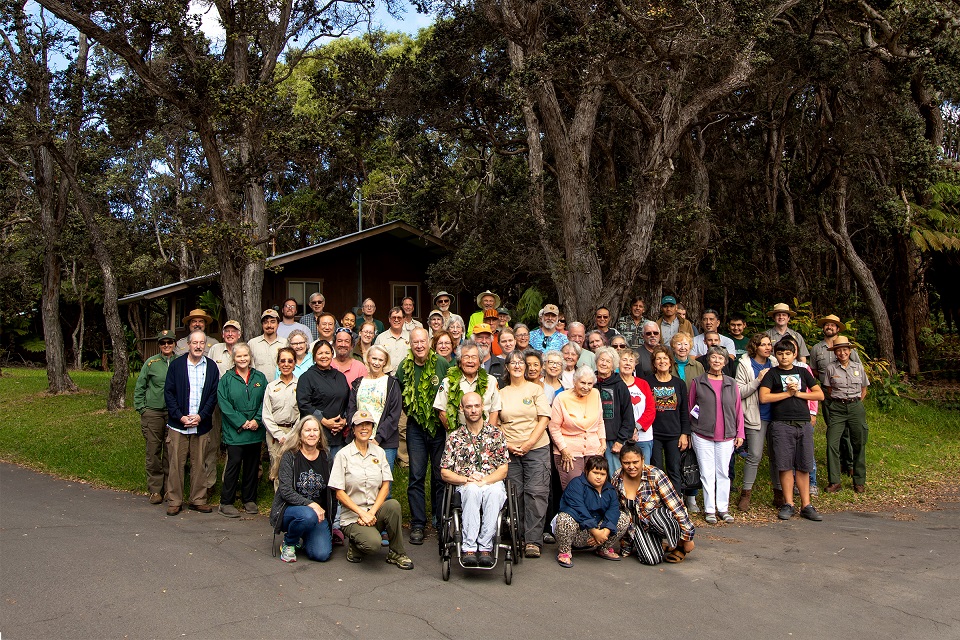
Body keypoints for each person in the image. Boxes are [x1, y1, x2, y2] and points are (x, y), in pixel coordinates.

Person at [330, 411, 414, 569]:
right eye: (359, 425)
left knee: (393, 505)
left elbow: (385, 486)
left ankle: (397, 552)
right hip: (353, 517)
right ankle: (355, 547)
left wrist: (371, 513)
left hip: (373, 512)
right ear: (353, 429)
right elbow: (339, 493)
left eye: (367, 424)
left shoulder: (380, 452)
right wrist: (362, 514)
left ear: (372, 428)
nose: (364, 428)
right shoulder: (343, 455)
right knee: (374, 544)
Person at [440, 392, 511, 567]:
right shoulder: (455, 438)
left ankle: (486, 546)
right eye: (469, 407)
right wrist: (465, 479)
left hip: (491, 482)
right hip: (466, 484)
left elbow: (503, 470)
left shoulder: (496, 434)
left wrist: (485, 480)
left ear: (482, 408)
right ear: (462, 409)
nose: (473, 410)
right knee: (471, 491)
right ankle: (469, 547)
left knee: (494, 493)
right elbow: (444, 472)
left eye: (476, 406)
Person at [759, 339, 824, 521]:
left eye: (788, 353)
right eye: (780, 353)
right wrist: (786, 394)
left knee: (804, 465)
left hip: (803, 423)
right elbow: (764, 397)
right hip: (781, 423)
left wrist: (798, 394)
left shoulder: (802, 371)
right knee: (785, 464)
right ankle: (789, 503)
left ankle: (806, 505)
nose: (784, 357)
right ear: (775, 355)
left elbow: (819, 394)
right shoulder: (772, 374)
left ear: (794, 354)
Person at [396, 327, 450, 544]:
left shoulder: (442, 364)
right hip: (416, 427)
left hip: (438, 427)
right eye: (415, 342)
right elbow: (398, 393)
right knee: (416, 476)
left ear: (429, 342)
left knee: (439, 475)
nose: (419, 345)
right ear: (410, 344)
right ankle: (418, 523)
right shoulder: (404, 366)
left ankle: (439, 518)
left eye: (423, 341)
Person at [296, 340, 350, 542]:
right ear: (314, 354)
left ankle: (335, 524)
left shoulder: (339, 377)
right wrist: (323, 421)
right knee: (316, 481)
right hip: (316, 439)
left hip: (338, 436)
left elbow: (347, 400)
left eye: (328, 353)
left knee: (335, 482)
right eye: (320, 353)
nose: (324, 356)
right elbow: (304, 404)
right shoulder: (307, 377)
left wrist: (343, 419)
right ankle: (311, 521)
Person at [499, 352, 552, 558]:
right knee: (515, 494)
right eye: (513, 362)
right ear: (507, 367)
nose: (518, 365)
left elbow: (544, 418)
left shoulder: (535, 389)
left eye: (521, 362)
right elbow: (496, 424)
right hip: (510, 450)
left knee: (536, 494)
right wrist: (509, 445)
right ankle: (518, 537)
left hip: (537, 448)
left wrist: (529, 443)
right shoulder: (501, 393)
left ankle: (533, 541)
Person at [163, 330, 220, 515]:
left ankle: (198, 499)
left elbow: (212, 396)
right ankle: (175, 500)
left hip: (201, 424)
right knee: (176, 463)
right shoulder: (177, 365)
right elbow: (169, 393)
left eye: (201, 343)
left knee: (200, 463)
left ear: (205, 345)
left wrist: (201, 416)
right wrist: (179, 416)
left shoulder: (211, 367)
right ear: (188, 344)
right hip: (178, 424)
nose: (198, 346)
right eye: (194, 342)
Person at [688, 346, 745, 524]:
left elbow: (738, 410)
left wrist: (740, 433)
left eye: (720, 358)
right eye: (713, 358)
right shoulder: (698, 382)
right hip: (702, 434)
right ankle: (709, 509)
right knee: (706, 473)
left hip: (727, 435)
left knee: (723, 473)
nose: (717, 361)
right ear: (708, 360)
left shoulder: (731, 383)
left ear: (725, 362)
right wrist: (691, 431)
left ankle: (723, 508)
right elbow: (691, 408)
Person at [613, 442, 695, 564]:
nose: (631, 466)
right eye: (626, 463)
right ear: (621, 462)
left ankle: (680, 545)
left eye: (635, 462)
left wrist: (688, 537)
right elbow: (621, 513)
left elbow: (677, 506)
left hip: (660, 519)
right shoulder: (616, 478)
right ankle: (658, 544)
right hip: (639, 526)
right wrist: (626, 544)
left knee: (659, 516)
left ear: (642, 459)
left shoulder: (655, 474)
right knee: (651, 560)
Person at [269, 416, 333, 563]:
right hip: (290, 511)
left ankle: (304, 534)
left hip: (317, 515)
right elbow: (285, 491)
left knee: (321, 554)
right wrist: (311, 504)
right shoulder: (290, 456)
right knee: (307, 515)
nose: (312, 434)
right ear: (300, 434)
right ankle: (290, 542)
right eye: (307, 430)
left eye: (315, 430)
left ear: (320, 434)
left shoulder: (326, 457)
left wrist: (330, 522)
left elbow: (331, 493)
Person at [217, 342, 267, 517]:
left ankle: (249, 499)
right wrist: (242, 422)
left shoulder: (259, 378)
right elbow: (224, 404)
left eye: (246, 355)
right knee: (234, 464)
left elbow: (265, 403)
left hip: (255, 431)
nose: (243, 359)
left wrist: (256, 420)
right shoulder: (227, 379)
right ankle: (226, 502)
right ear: (233, 358)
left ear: (250, 357)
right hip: (235, 432)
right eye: (239, 356)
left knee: (252, 466)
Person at [553, 456, 631, 567]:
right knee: (565, 518)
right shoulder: (576, 484)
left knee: (623, 517)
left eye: (602, 474)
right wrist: (594, 532)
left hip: (599, 533)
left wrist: (605, 532)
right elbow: (579, 508)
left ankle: (603, 548)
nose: (599, 477)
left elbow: (613, 510)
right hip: (578, 530)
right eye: (595, 473)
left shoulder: (609, 489)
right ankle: (564, 552)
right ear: (586, 471)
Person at [810, 313, 860, 477]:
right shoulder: (817, 348)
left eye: (832, 325)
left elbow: (857, 370)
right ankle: (836, 463)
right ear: (823, 328)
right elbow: (815, 371)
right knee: (833, 428)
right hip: (827, 394)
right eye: (826, 325)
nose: (829, 327)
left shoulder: (847, 347)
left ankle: (850, 463)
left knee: (848, 430)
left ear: (838, 328)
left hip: (846, 394)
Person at [823, 336, 870, 494]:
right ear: (835, 353)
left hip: (856, 406)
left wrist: (855, 402)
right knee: (832, 442)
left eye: (845, 350)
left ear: (850, 351)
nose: (842, 353)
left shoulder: (858, 367)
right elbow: (829, 390)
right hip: (837, 407)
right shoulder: (831, 368)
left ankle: (859, 480)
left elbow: (864, 388)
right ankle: (835, 481)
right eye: (838, 350)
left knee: (859, 442)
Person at [733, 333, 775, 512]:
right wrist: (757, 380)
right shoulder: (745, 364)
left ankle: (779, 493)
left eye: (769, 344)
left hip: (776, 414)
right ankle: (746, 493)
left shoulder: (775, 362)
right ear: (755, 347)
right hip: (754, 414)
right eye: (763, 345)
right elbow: (739, 392)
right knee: (755, 455)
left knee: (777, 455)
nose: (767, 347)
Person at [134, 329, 176, 505]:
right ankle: (155, 489)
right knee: (153, 451)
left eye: (169, 342)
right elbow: (140, 386)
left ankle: (169, 488)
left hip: (173, 413)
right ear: (159, 345)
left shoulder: (180, 361)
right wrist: (142, 408)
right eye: (163, 343)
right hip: (153, 412)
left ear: (174, 343)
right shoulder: (151, 363)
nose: (166, 345)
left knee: (170, 451)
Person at [548, 366, 605, 489]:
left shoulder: (595, 394)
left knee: (594, 489)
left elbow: (600, 421)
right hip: (569, 452)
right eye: (582, 382)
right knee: (575, 490)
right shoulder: (561, 398)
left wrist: (603, 443)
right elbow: (554, 428)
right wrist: (564, 450)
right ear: (574, 381)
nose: (586, 387)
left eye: (590, 383)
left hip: (594, 451)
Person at [348, 346, 402, 472]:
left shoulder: (392, 383)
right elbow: (351, 409)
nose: (377, 363)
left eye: (380, 360)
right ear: (368, 359)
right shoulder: (358, 383)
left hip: (384, 442)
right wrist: (358, 435)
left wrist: (377, 438)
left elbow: (394, 415)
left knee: (384, 484)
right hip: (359, 440)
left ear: (385, 362)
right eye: (374, 358)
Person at [647, 345, 692, 496]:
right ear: (654, 363)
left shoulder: (679, 384)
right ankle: (658, 502)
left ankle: (676, 502)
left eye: (665, 358)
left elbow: (684, 410)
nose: (662, 361)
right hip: (654, 434)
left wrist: (685, 433)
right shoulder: (647, 382)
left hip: (674, 433)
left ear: (670, 361)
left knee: (674, 469)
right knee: (656, 470)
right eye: (658, 358)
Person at [434, 341, 502, 431]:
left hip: (485, 439)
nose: (470, 361)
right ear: (459, 361)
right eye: (466, 357)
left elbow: (494, 411)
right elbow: (442, 413)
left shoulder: (491, 381)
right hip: (458, 439)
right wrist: (458, 437)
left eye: (474, 357)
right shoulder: (448, 382)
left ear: (480, 361)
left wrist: (487, 436)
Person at [594, 347, 635, 474]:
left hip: (613, 441)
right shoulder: (590, 383)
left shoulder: (619, 385)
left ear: (613, 366)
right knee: (595, 476)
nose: (604, 364)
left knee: (615, 476)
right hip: (593, 439)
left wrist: (620, 441)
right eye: (601, 360)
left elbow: (628, 416)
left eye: (608, 361)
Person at [263, 347, 301, 480]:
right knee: (277, 469)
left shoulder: (301, 385)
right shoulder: (271, 387)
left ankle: (293, 499)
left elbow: (302, 412)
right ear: (278, 364)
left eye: (290, 361)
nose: (286, 364)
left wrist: (290, 435)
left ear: (295, 363)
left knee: (295, 467)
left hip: (295, 432)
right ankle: (279, 499)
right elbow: (266, 414)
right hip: (275, 434)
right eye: (282, 361)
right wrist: (279, 435)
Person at [618, 349, 655, 463]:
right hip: (620, 437)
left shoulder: (643, 384)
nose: (628, 363)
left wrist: (635, 427)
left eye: (631, 361)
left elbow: (651, 410)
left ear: (635, 365)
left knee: (644, 471)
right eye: (624, 360)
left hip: (643, 437)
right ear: (617, 363)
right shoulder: (614, 383)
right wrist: (627, 431)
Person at [249, 309, 287, 383]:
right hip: (258, 386)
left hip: (279, 385)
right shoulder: (252, 343)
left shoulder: (285, 343)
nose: (269, 325)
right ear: (262, 325)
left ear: (278, 324)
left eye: (273, 322)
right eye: (266, 322)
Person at [373, 307, 410, 374]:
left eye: (399, 318)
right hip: (386, 378)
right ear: (389, 319)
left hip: (406, 378)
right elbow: (374, 359)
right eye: (394, 317)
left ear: (404, 319)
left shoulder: (410, 337)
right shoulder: (381, 338)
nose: (396, 320)